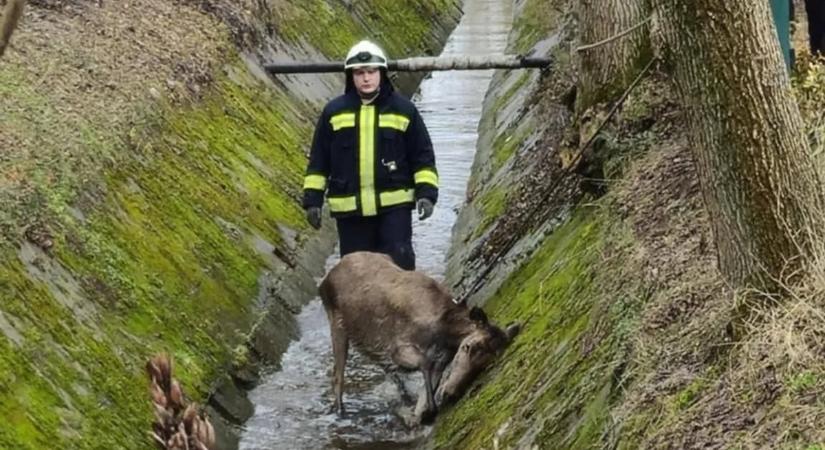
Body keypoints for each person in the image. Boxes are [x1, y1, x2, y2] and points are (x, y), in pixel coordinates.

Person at [302, 40, 438, 270]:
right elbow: (319, 161)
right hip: (351, 214)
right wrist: (312, 201)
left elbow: (422, 158)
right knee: (356, 275)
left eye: (371, 72)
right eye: (359, 73)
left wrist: (427, 194)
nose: (366, 78)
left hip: (394, 211)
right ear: (351, 76)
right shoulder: (333, 113)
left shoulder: (404, 111)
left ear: (382, 74)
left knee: (399, 271)